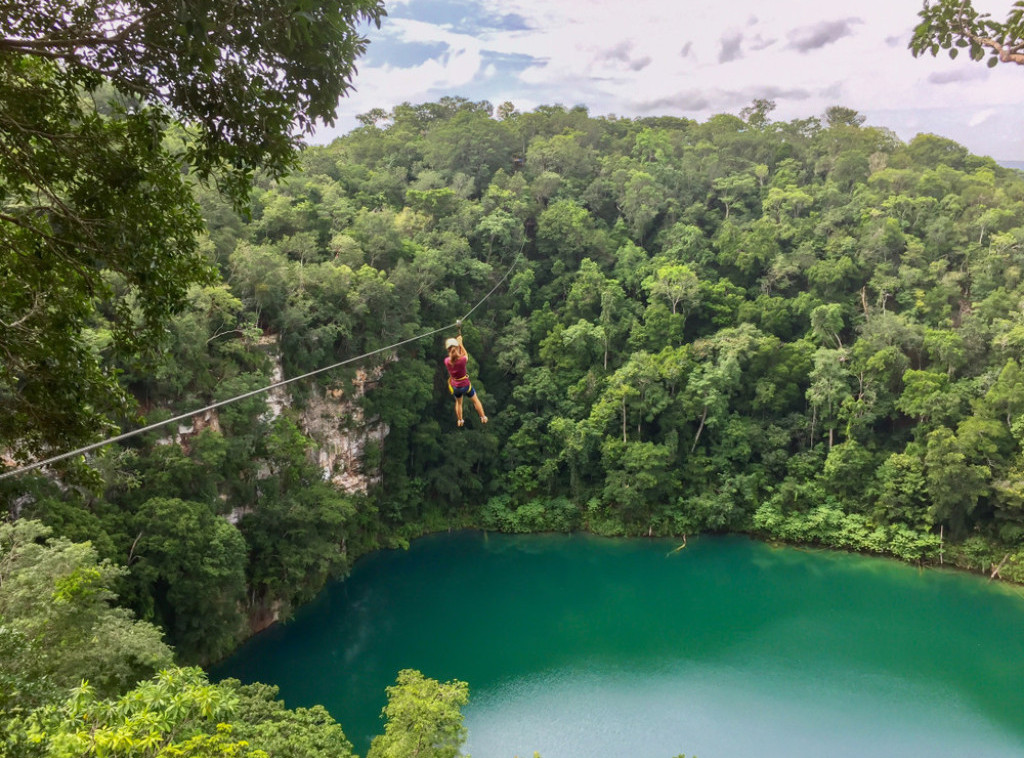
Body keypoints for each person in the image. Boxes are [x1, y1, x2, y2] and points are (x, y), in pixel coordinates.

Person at [444, 335, 487, 427]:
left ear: (448, 350)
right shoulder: (462, 360)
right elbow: (465, 354)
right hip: (465, 385)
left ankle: (460, 420)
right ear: (456, 349)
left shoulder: (447, 361)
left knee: (459, 403)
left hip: (456, 387)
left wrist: (457, 346)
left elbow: (456, 357)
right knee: (475, 401)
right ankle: (483, 417)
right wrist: (460, 344)